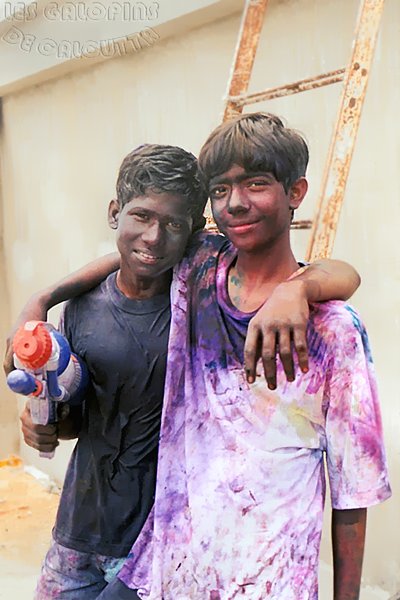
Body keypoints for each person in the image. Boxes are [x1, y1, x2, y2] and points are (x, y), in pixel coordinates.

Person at [6, 126, 362, 599]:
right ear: (115, 213)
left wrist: (297, 288)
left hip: (185, 554)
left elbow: (343, 272)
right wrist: (41, 305)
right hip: (87, 535)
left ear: (193, 232)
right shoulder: (108, 301)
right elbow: (80, 414)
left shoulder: (206, 296)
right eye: (140, 217)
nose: (154, 237)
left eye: (174, 226)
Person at [96, 113, 391, 599]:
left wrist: (297, 289)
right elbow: (135, 253)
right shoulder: (198, 269)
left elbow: (352, 492)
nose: (235, 202)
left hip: (266, 581)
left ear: (295, 192)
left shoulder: (331, 331)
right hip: (166, 568)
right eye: (220, 189)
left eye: (255, 183)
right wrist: (42, 299)